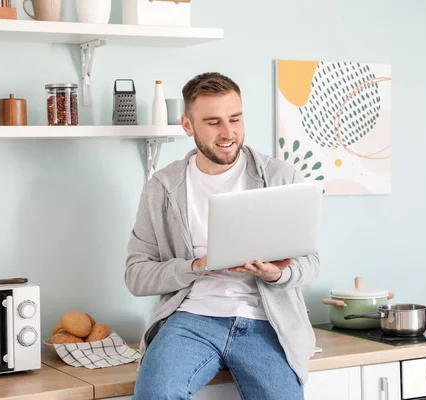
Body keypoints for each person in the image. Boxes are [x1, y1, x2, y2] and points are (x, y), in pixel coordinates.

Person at [125, 72, 320, 400]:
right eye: (213, 122)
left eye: (235, 118)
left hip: (266, 322)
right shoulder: (162, 187)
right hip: (192, 319)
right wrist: (196, 266)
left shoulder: (280, 177)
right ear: (188, 126)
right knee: (155, 394)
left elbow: (311, 263)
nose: (228, 133)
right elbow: (136, 277)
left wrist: (277, 274)